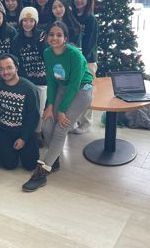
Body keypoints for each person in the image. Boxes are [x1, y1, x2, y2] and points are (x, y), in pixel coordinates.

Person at [22, 21, 93, 192]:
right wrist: (50, 105)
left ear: (65, 38)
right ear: (46, 37)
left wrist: (61, 111)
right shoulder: (47, 53)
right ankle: (54, 160)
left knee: (61, 127)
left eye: (59, 34)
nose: (54, 38)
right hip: (61, 88)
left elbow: (75, 84)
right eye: (51, 34)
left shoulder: (74, 54)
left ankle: (42, 172)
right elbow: (52, 82)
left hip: (82, 89)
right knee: (47, 124)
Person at [0, 54, 40, 170]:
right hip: (4, 130)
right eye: (1, 69)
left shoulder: (29, 89)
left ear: (17, 67)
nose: (5, 72)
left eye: (9, 67)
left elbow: (33, 116)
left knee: (31, 165)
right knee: (9, 165)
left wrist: (23, 138)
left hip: (23, 131)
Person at [10, 7, 48, 146]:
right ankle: (27, 132)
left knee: (40, 108)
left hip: (42, 79)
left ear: (35, 22)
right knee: (27, 108)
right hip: (26, 79)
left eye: (31, 20)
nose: (28, 24)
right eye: (25, 20)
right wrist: (24, 80)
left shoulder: (41, 35)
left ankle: (37, 132)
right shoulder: (16, 39)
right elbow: (16, 61)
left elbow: (46, 55)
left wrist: (39, 43)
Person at [71, 0, 98, 134]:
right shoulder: (72, 15)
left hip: (88, 62)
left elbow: (90, 44)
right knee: (75, 92)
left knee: (87, 91)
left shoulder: (91, 19)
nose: (79, 0)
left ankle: (86, 122)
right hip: (73, 61)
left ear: (88, 0)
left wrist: (84, 62)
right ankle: (74, 120)